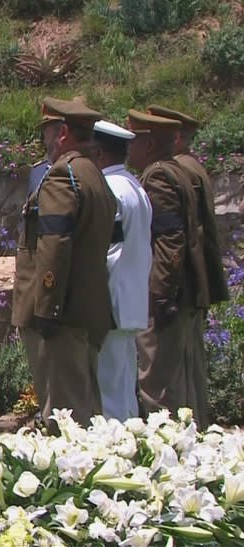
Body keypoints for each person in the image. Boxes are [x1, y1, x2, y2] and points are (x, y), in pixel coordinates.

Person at [12, 97, 116, 430]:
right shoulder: (95, 175)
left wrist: (47, 310)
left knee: (64, 418)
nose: (45, 143)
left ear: (64, 133)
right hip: (86, 310)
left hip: (60, 315)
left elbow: (54, 247)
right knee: (85, 406)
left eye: (47, 134)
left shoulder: (62, 175)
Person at [127, 109, 210, 427]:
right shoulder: (179, 168)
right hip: (187, 290)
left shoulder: (158, 175)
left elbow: (170, 239)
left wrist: (161, 293)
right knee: (189, 382)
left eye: (133, 140)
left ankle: (167, 463)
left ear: (148, 145)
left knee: (158, 387)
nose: (128, 148)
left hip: (168, 293)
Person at [147, 104, 227, 428]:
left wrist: (164, 288)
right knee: (192, 370)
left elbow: (174, 237)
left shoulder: (173, 172)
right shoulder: (194, 168)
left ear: (175, 136)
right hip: (195, 283)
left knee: (171, 375)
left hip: (182, 283)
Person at [92, 120, 153, 422]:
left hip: (111, 301)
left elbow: (106, 251)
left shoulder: (109, 189)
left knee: (109, 388)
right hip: (130, 299)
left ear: (99, 151)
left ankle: (117, 456)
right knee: (125, 384)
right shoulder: (134, 185)